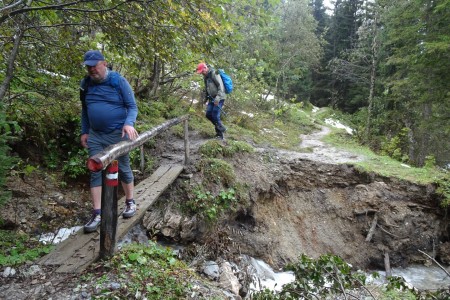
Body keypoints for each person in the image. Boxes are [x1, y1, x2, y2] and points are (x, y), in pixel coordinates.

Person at [80, 50, 139, 233]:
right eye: (88, 67)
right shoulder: (86, 84)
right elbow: (85, 109)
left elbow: (132, 106)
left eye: (94, 66)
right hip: (96, 135)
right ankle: (97, 213)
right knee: (95, 170)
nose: (91, 70)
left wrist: (129, 124)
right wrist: (84, 131)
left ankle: (130, 202)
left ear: (104, 64)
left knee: (123, 167)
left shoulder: (118, 81)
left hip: (117, 134)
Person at [196, 62, 227, 140]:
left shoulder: (214, 73)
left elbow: (221, 87)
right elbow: (207, 88)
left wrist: (217, 98)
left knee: (215, 115)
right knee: (208, 114)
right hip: (211, 98)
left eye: (202, 71)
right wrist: (205, 99)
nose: (202, 73)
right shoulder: (205, 76)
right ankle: (221, 127)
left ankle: (220, 135)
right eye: (201, 73)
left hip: (219, 97)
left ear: (205, 68)